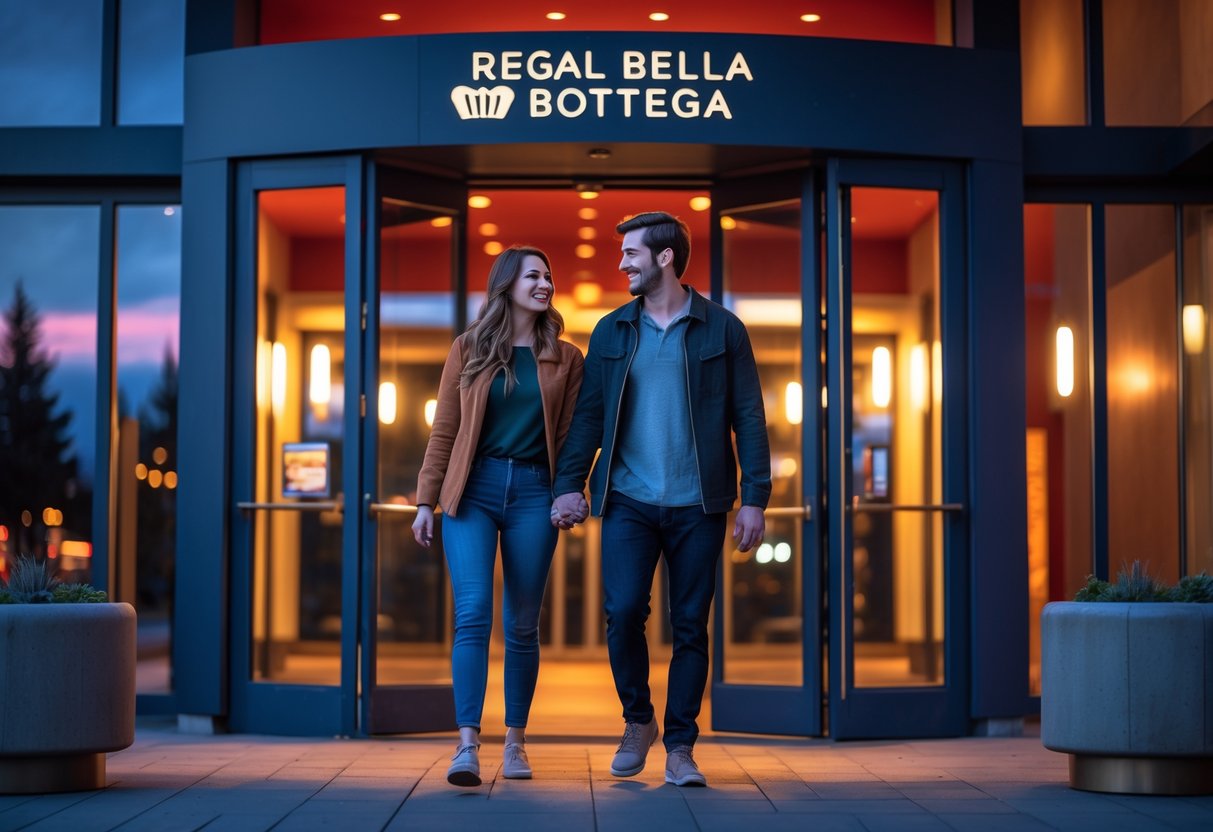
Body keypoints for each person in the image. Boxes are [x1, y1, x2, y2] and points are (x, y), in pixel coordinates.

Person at [551, 211, 771, 788]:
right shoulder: (611, 331)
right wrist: (569, 483)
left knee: (690, 624)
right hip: (628, 498)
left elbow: (748, 414)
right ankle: (638, 720)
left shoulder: (724, 330)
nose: (621, 262)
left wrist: (756, 497)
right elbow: (590, 417)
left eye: (631, 253)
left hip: (700, 503)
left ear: (665, 257)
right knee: (623, 613)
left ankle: (680, 746)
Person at [413, 245, 585, 787]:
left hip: (536, 493)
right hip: (474, 491)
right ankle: (466, 746)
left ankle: (516, 742)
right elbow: (444, 430)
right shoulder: (468, 349)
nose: (545, 283)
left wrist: (568, 491)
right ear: (507, 283)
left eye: (548, 275)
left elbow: (570, 439)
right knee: (471, 614)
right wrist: (425, 499)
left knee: (522, 623)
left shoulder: (566, 357)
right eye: (534, 274)